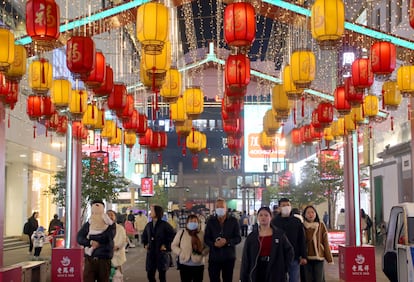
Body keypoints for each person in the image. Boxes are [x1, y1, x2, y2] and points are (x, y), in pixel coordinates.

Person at [240, 206, 294, 282]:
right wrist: (243, 277)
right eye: (261, 215)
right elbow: (246, 258)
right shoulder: (252, 237)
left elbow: (290, 251)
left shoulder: (279, 234)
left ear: (270, 217)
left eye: (266, 215)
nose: (263, 217)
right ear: (257, 217)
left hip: (275, 268)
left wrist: (284, 267)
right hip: (257, 268)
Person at [77, 200, 116, 282]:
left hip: (104, 259)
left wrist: (94, 239)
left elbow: (108, 236)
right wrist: (90, 242)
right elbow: (79, 238)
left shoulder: (110, 225)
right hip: (90, 259)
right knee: (87, 279)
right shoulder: (89, 222)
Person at [204, 198, 241, 282]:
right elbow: (206, 238)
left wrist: (227, 242)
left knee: (227, 279)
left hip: (229, 257)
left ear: (226, 208)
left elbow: (238, 238)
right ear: (215, 208)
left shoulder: (233, 221)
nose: (220, 209)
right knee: (214, 279)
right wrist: (213, 244)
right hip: (214, 257)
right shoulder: (210, 221)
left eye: (222, 207)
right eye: (218, 207)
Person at [271, 198, 307, 282]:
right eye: (283, 205)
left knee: (294, 279)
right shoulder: (274, 222)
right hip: (279, 257)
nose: (286, 207)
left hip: (295, 256)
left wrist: (304, 256)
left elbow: (301, 239)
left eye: (288, 205)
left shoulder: (297, 221)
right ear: (279, 208)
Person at [142, 205, 176, 282]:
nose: (150, 212)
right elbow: (144, 236)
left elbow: (172, 236)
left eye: (152, 211)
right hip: (151, 253)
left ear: (157, 212)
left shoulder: (165, 225)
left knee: (162, 276)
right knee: (150, 275)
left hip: (161, 253)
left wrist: (166, 245)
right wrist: (145, 244)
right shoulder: (149, 225)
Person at [171, 214, 208, 281]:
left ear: (198, 223)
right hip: (185, 264)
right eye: (191, 221)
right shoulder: (181, 232)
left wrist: (203, 252)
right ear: (187, 223)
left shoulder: (202, 234)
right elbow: (173, 245)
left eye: (195, 221)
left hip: (198, 264)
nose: (193, 223)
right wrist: (180, 252)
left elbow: (207, 246)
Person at [302, 205, 333, 282]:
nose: (310, 214)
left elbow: (325, 242)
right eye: (308, 212)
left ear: (316, 214)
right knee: (307, 278)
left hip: (319, 256)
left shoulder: (321, 225)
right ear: (304, 215)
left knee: (319, 278)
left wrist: (329, 258)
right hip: (306, 257)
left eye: (312, 212)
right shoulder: (302, 226)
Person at [107, 210, 127, 282]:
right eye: (108, 215)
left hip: (118, 254)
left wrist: (117, 247)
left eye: (112, 215)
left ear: (115, 217)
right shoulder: (102, 227)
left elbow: (123, 240)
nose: (110, 216)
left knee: (118, 274)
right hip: (106, 255)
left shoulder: (120, 228)